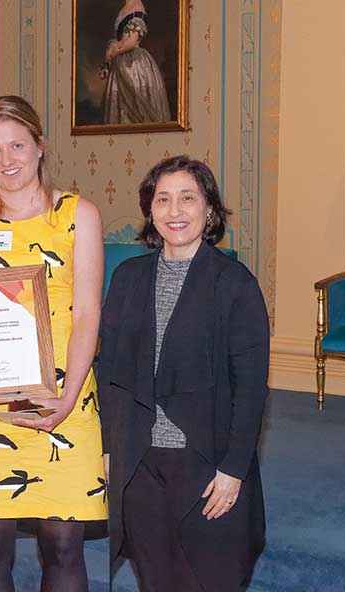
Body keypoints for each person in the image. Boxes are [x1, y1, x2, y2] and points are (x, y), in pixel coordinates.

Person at [0, 95, 107, 592]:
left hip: (64, 395)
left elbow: (88, 312)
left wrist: (68, 395)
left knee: (63, 546)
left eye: (16, 145)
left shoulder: (79, 215)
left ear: (40, 147)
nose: (6, 161)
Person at [98, 155, 269, 592]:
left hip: (207, 464)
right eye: (163, 200)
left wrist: (234, 470)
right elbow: (109, 372)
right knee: (156, 581)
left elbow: (251, 391)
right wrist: (108, 448)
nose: (175, 212)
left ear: (209, 208)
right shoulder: (127, 278)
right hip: (140, 462)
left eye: (188, 198)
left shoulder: (235, 285)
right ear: (150, 211)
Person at [101, 0, 172, 124]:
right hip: (120, 61)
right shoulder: (124, 7)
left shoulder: (136, 6)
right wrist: (109, 58)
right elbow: (121, 39)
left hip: (134, 64)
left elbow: (132, 41)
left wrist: (114, 51)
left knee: (136, 111)